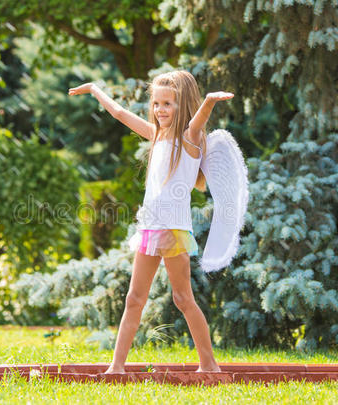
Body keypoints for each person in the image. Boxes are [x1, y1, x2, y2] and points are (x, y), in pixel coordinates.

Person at [68, 70, 233, 374]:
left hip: (173, 230)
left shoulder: (189, 139)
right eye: (156, 104)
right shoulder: (156, 135)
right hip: (150, 228)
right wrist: (94, 89)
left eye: (167, 104)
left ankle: (209, 364)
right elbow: (119, 113)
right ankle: (115, 368)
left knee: (183, 298)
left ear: (181, 106)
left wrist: (209, 101)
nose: (160, 110)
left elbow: (199, 120)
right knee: (134, 299)